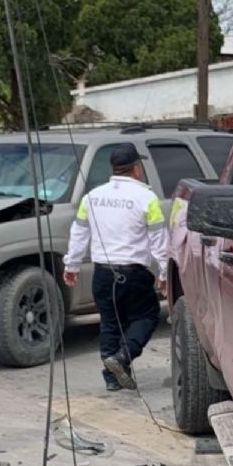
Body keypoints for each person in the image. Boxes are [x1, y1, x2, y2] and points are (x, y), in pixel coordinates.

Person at [62, 144, 167, 391]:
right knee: (147, 315)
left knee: (110, 323)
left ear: (114, 168)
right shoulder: (147, 199)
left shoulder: (91, 197)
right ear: (136, 168)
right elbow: (159, 240)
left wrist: (72, 265)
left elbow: (78, 233)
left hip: (102, 273)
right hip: (134, 274)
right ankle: (122, 358)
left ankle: (112, 379)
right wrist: (164, 271)